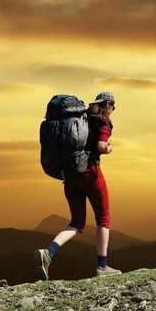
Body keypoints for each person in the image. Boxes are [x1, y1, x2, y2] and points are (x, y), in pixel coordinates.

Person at [34, 91, 121, 280]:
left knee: (77, 222)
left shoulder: (83, 118)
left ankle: (48, 253)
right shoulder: (103, 122)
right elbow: (100, 146)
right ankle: (103, 266)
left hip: (71, 175)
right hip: (91, 174)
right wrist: (109, 148)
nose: (113, 109)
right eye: (113, 106)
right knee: (103, 218)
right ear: (107, 104)